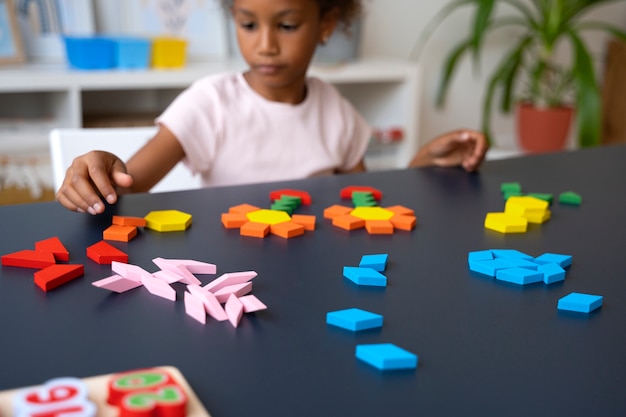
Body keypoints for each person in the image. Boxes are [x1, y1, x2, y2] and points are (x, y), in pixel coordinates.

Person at [56, 0, 488, 216]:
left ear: (326, 25)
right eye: (247, 24)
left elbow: (369, 200)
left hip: (314, 273)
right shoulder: (210, 102)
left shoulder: (334, 110)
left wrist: (420, 167)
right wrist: (99, 170)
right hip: (226, 277)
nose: (264, 44)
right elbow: (128, 185)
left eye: (286, 25)